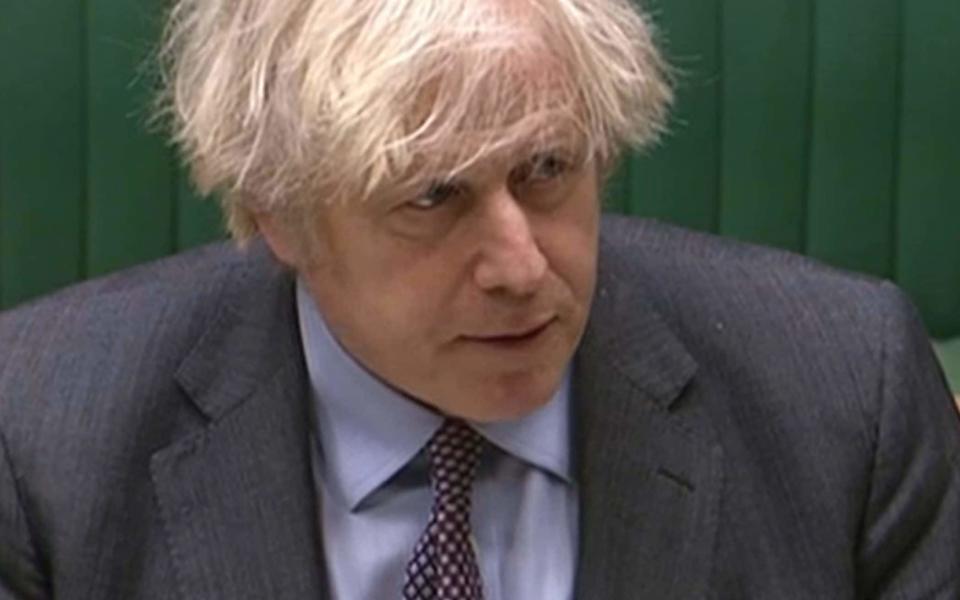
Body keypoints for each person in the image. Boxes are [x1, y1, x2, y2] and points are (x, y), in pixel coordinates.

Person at [1, 0, 958, 598]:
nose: (521, 265)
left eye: (547, 169)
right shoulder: (44, 438)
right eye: (433, 196)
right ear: (278, 216)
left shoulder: (846, 395)